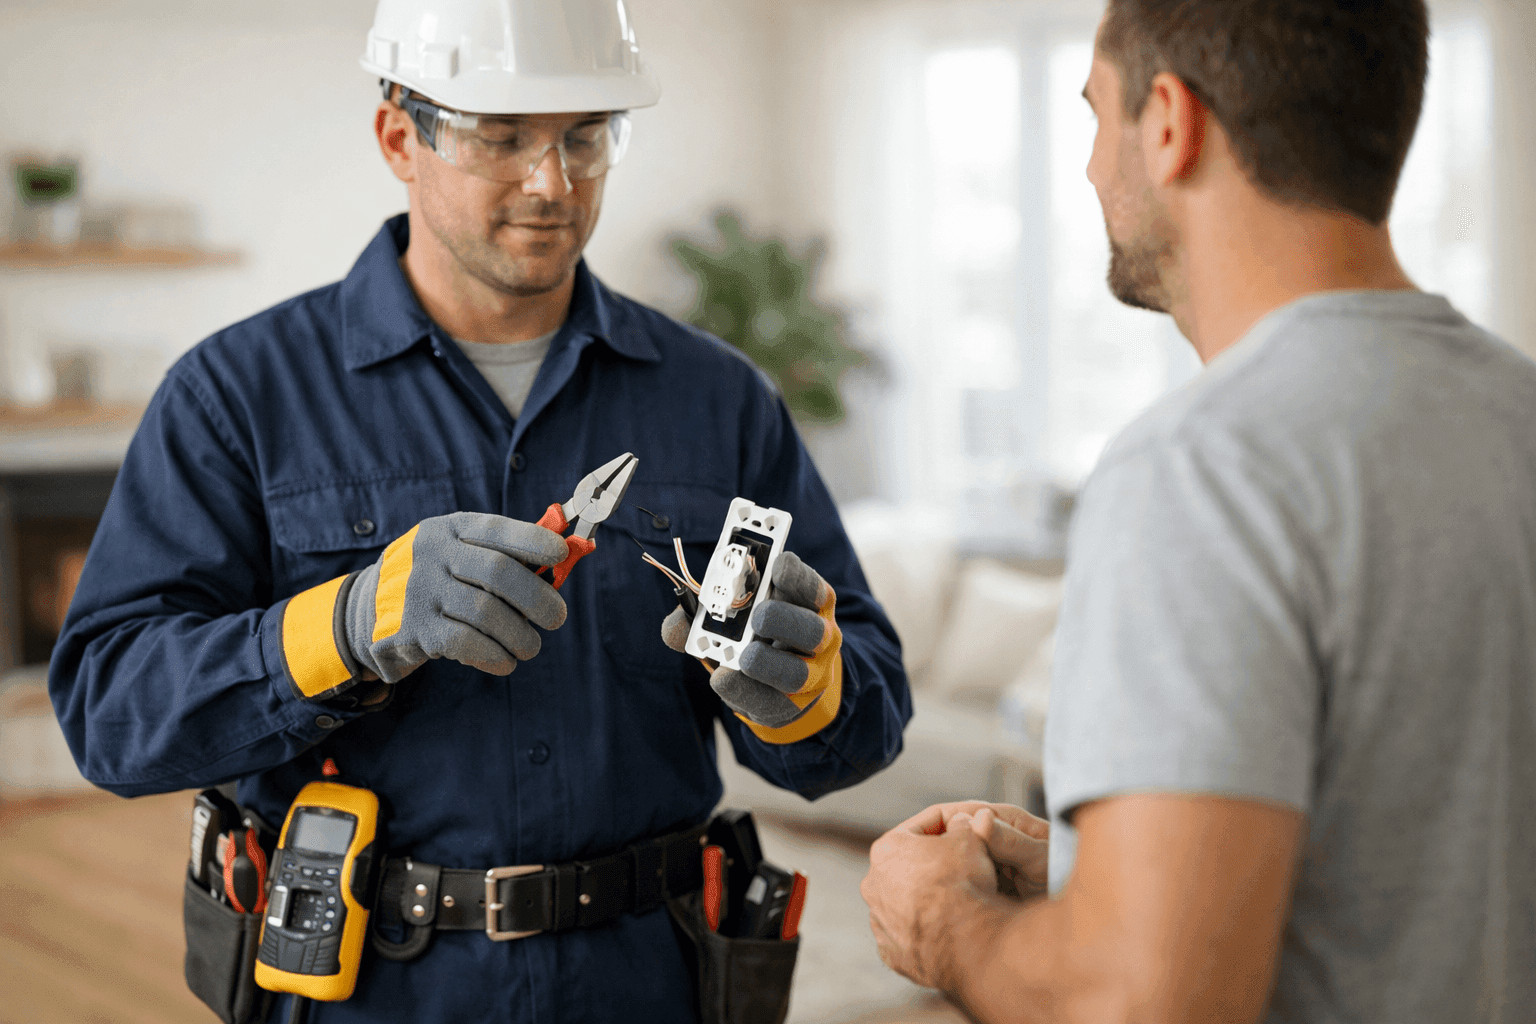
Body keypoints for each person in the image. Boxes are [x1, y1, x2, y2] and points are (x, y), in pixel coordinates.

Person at [48, 1, 910, 1020]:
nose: (553, 182)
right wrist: (345, 625)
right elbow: (110, 714)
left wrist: (807, 691)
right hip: (365, 988)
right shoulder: (236, 394)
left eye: (586, 136)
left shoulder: (717, 399)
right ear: (399, 139)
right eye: (501, 138)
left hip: (648, 982)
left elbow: (868, 711)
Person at [861, 0, 1535, 1021]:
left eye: (1095, 115)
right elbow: (1438, 866)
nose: (1089, 167)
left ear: (1169, 122)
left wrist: (941, 922)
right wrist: (1108, 868)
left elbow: (1139, 1004)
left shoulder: (1201, 466)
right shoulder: (1513, 414)